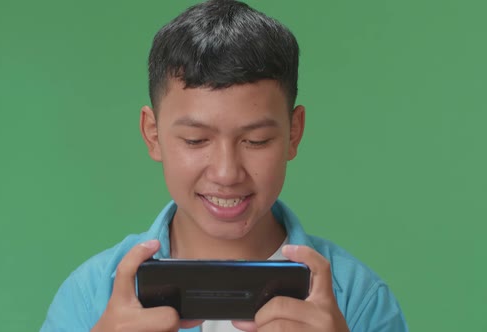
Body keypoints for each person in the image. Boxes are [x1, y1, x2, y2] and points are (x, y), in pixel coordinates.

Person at [40, 0, 408, 331]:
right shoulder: (91, 296)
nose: (227, 173)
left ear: (294, 133)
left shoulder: (360, 301)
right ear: (152, 134)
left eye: (256, 141)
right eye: (196, 140)